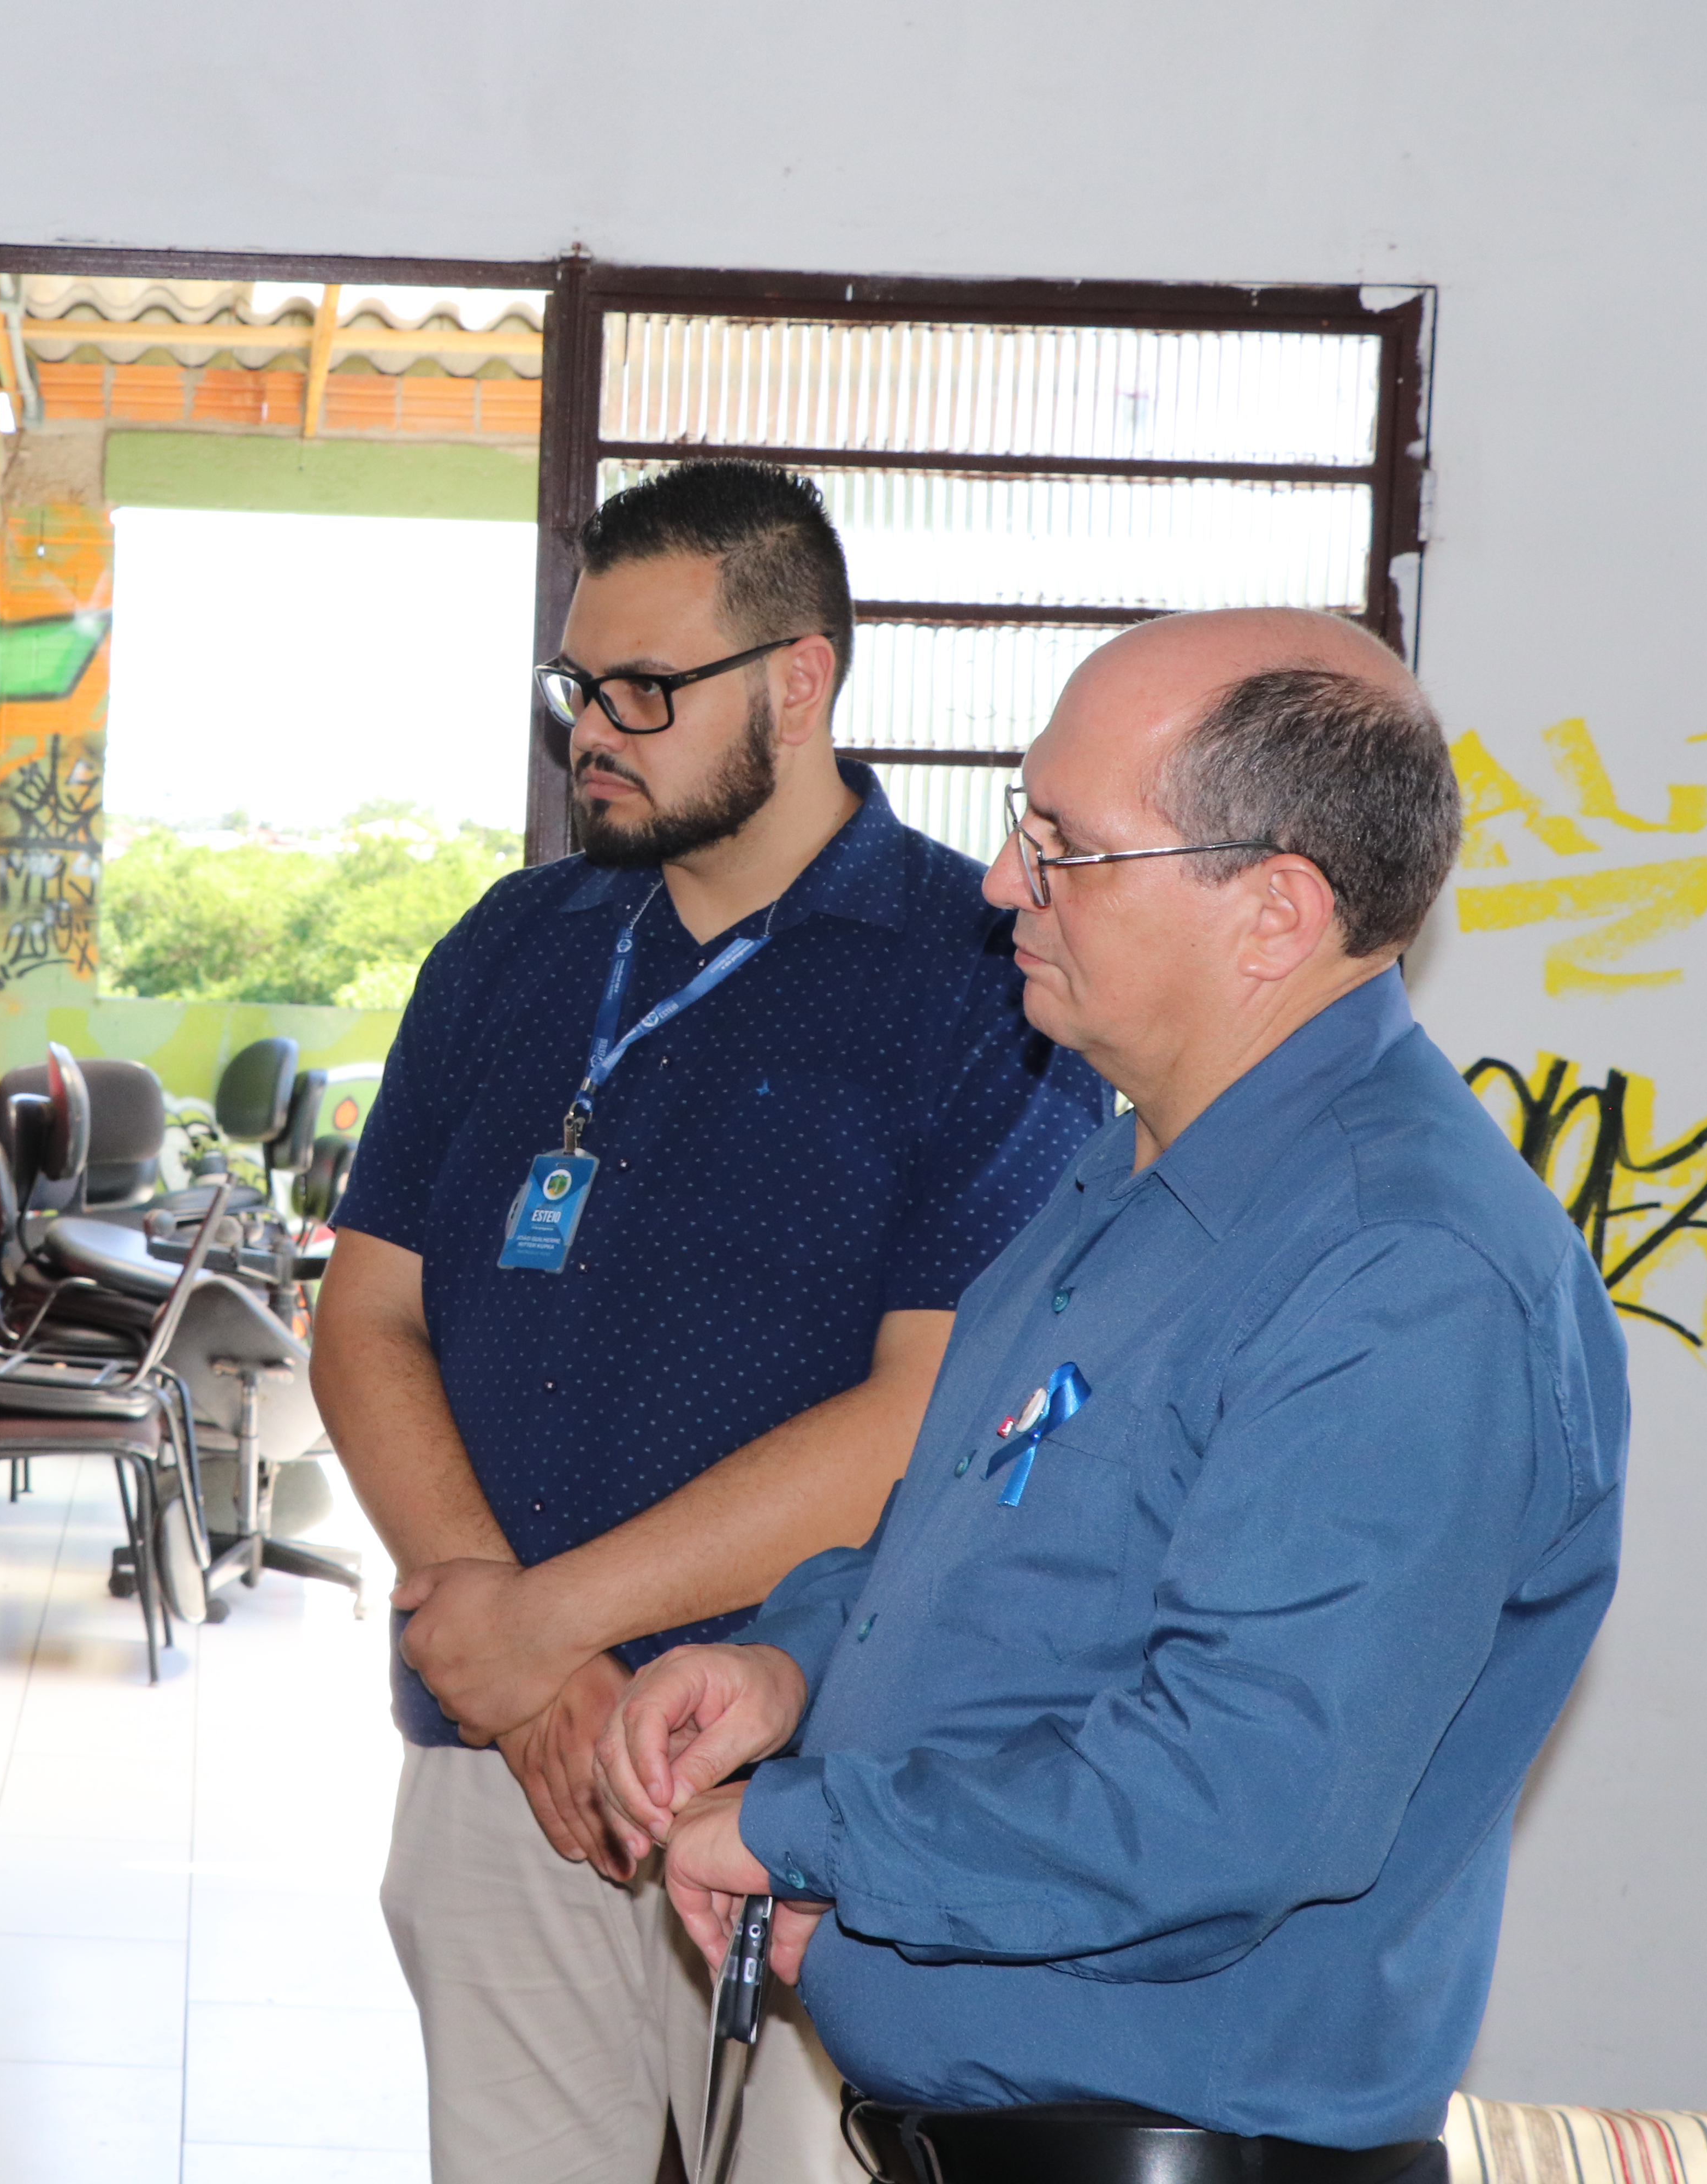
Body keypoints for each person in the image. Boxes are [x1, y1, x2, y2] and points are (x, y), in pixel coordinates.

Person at [600, 610, 1629, 2184]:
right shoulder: (1134, 1168)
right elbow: (996, 1548)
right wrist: (792, 1669)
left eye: (1066, 847)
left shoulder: (1402, 1273)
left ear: (1273, 911)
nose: (1005, 882)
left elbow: (1231, 1798)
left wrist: (810, 1833)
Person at [314, 461, 1106, 2183]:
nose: (593, 731)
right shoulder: (515, 946)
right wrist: (528, 1680)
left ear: (801, 682)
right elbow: (367, 1313)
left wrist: (557, 1627)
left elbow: (930, 1414)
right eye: (575, 690)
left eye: (645, 693)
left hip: (815, 1769)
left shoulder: (983, 983)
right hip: (505, 1766)